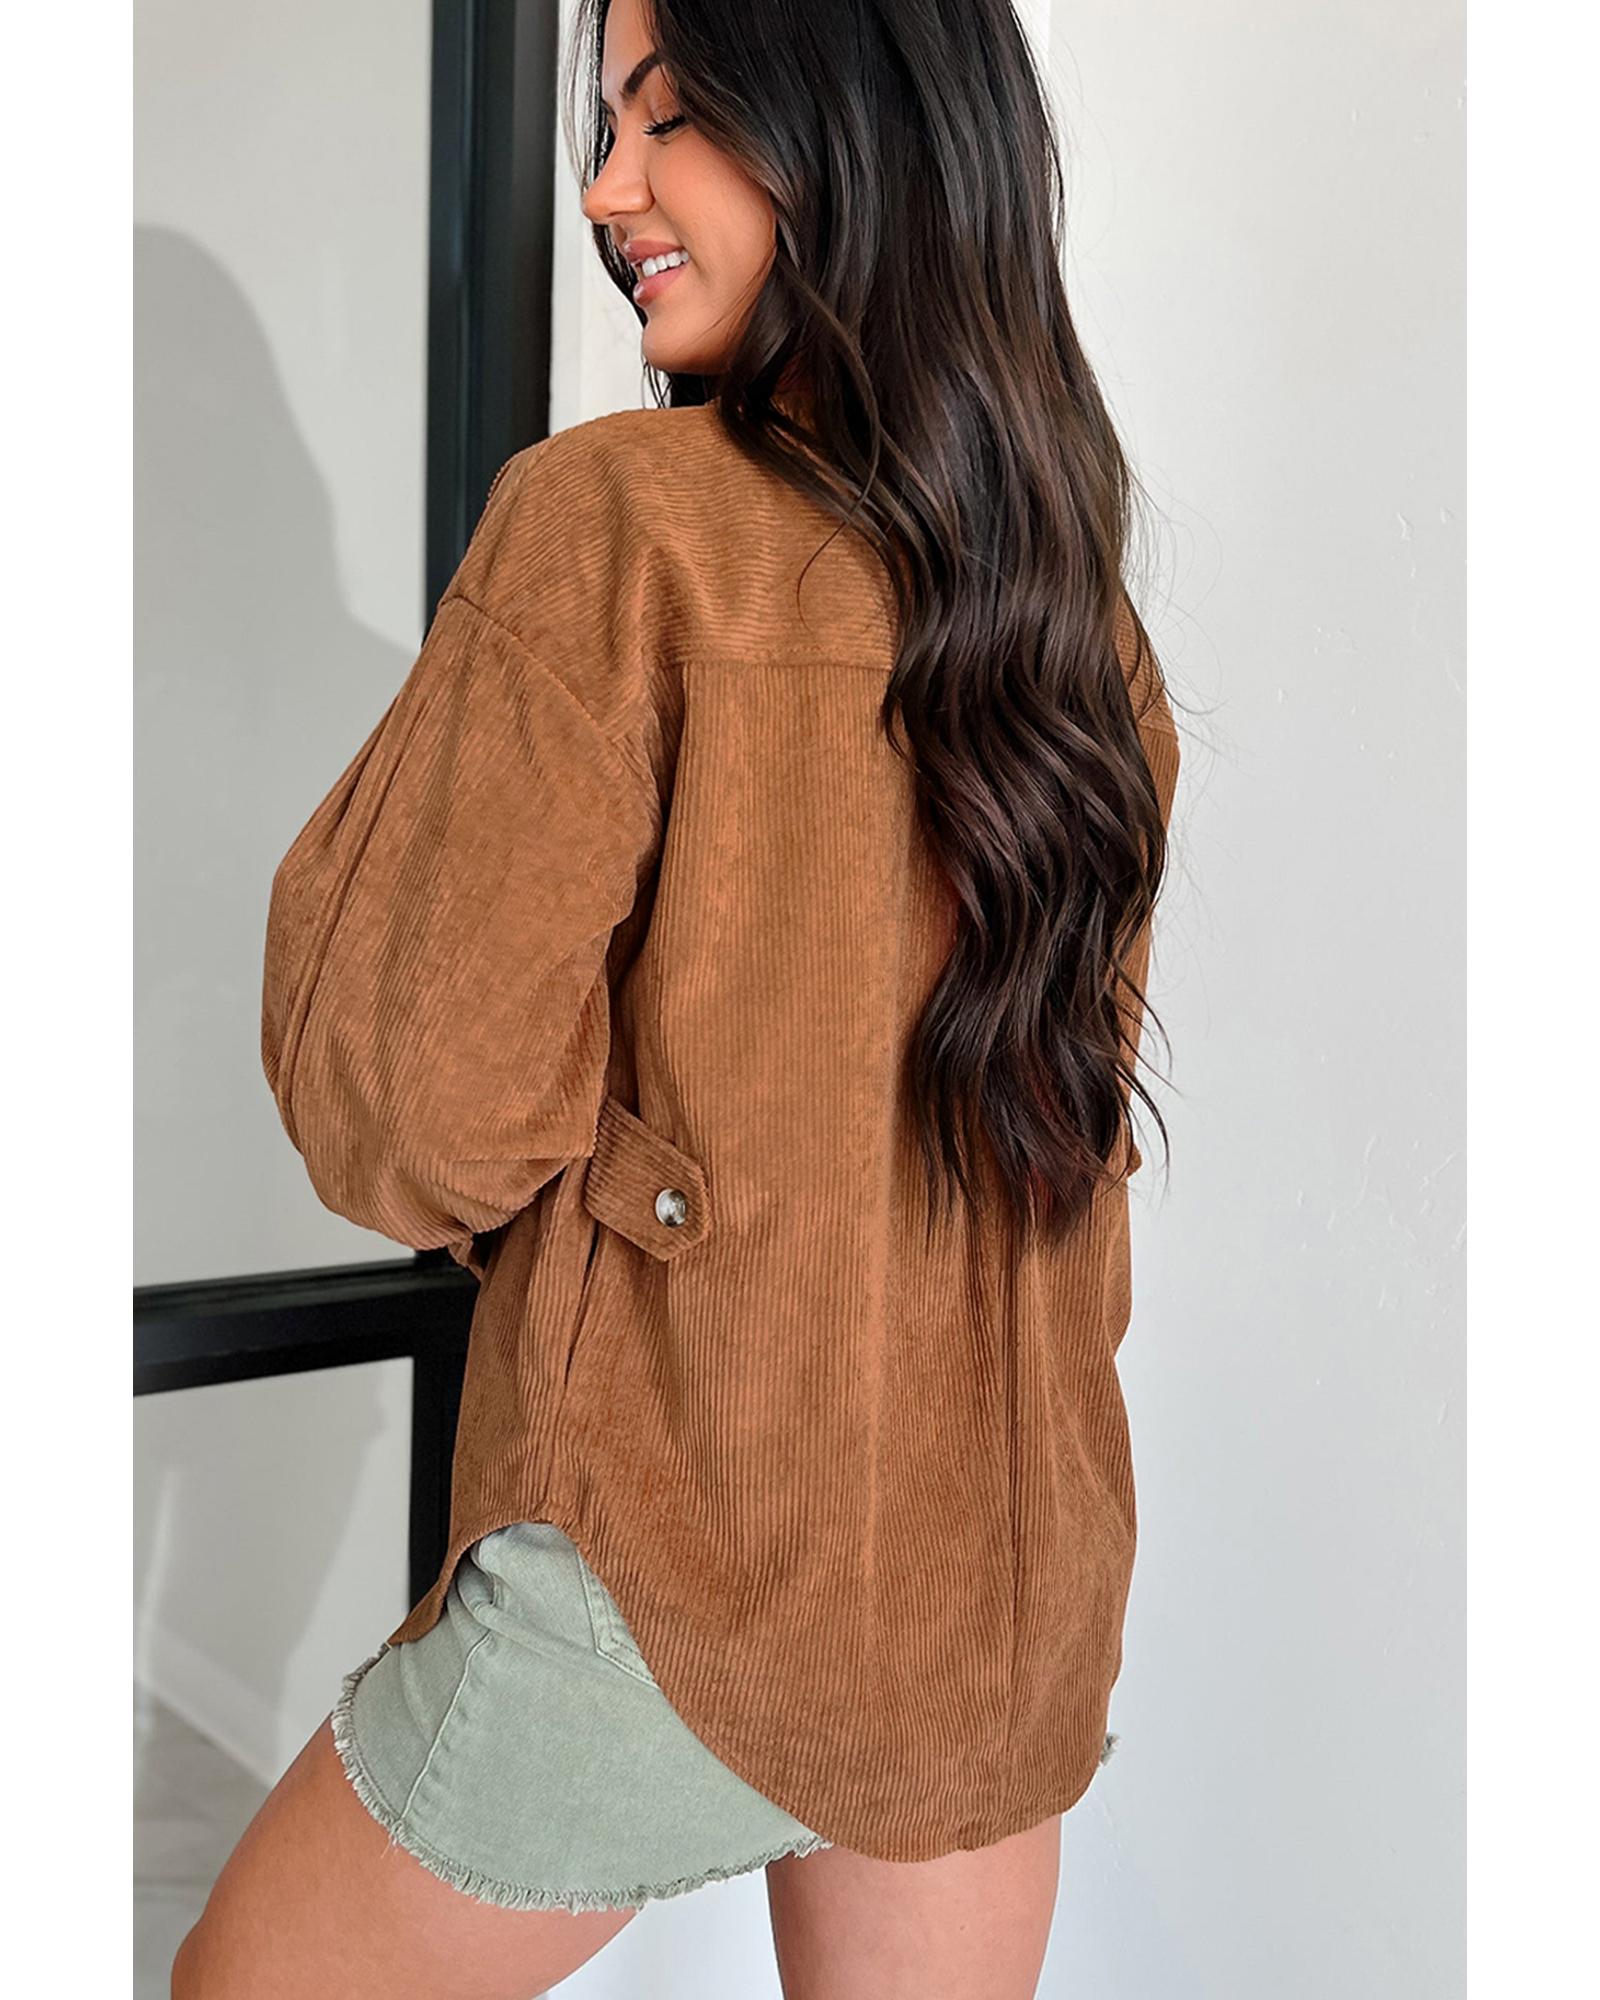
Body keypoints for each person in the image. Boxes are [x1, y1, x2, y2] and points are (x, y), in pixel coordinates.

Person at [172, 0, 1181, 1993]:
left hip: (667, 1570)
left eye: (672, 120)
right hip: (997, 1577)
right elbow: (1064, 1141)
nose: (605, 190)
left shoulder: (616, 527)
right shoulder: (1073, 615)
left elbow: (411, 1113)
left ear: (856, 131)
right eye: (607, 130)